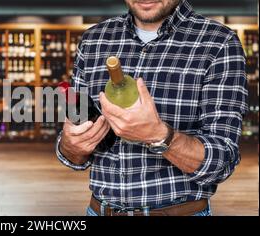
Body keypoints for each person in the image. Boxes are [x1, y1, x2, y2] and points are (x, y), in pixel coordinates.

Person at [56, 0, 247, 216]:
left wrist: (160, 136)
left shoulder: (219, 42)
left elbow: (221, 162)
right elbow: (72, 152)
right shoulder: (93, 40)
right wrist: (71, 145)